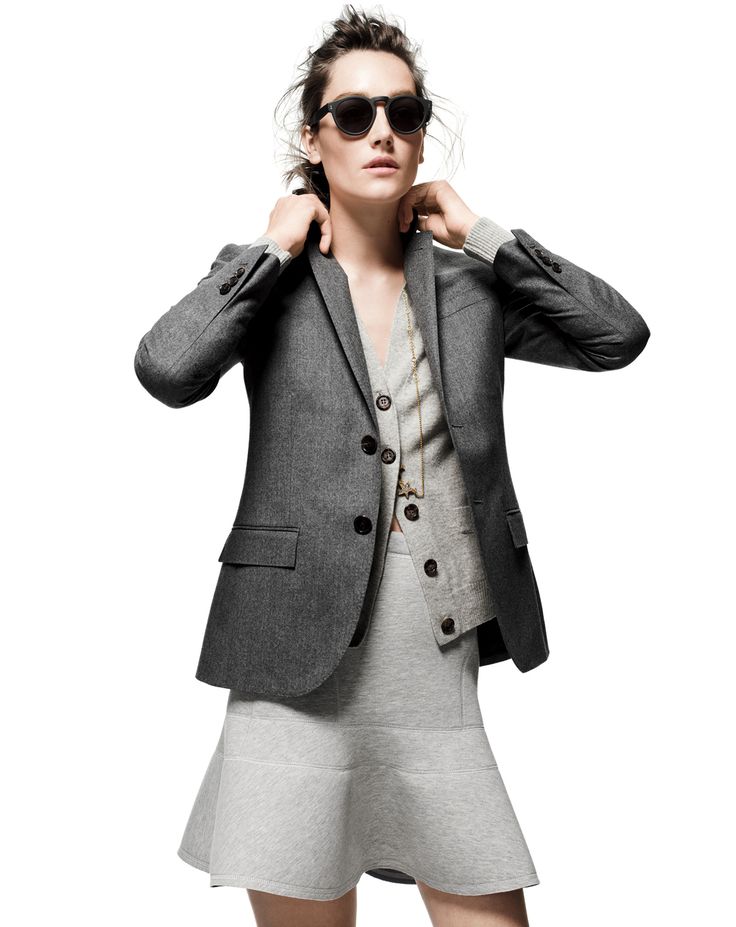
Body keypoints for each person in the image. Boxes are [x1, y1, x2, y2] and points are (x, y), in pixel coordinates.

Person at [133, 6, 649, 927]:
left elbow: (617, 337)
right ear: (313, 134)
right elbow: (167, 370)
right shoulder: (267, 278)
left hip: (434, 651)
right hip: (293, 657)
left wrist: (483, 232)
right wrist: (272, 247)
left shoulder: (472, 288)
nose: (382, 132)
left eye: (404, 114)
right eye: (354, 113)